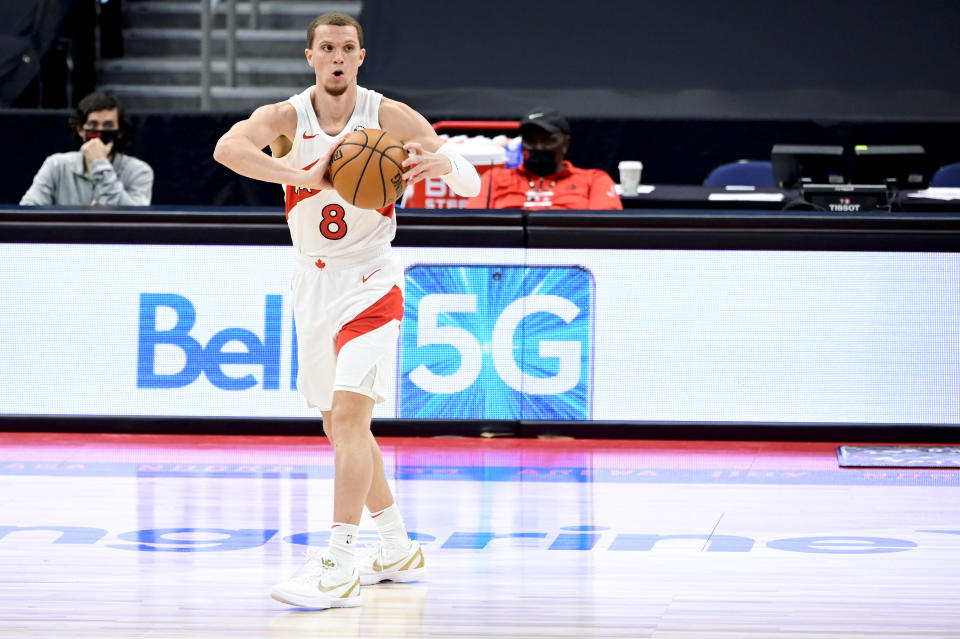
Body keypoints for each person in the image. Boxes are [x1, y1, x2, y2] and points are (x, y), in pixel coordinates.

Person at [213, 12, 480, 610]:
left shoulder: (389, 116)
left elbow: (470, 186)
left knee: (352, 420)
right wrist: (296, 171)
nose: (337, 56)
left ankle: (339, 562)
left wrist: (448, 165)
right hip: (312, 285)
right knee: (337, 427)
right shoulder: (288, 118)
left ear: (362, 56)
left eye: (348, 48)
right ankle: (396, 547)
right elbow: (227, 148)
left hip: (371, 281)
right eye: (326, 47)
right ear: (310, 55)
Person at [466, 108, 622, 210]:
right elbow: (472, 226)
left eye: (548, 140)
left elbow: (605, 229)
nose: (538, 147)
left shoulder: (594, 180)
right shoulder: (494, 179)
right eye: (530, 140)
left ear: (565, 143)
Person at [20, 92, 153, 206]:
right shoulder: (56, 165)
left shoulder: (139, 171)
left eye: (108, 125)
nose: (100, 132)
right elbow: (29, 209)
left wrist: (100, 164)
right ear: (80, 129)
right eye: (93, 124)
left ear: (119, 132)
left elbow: (135, 218)